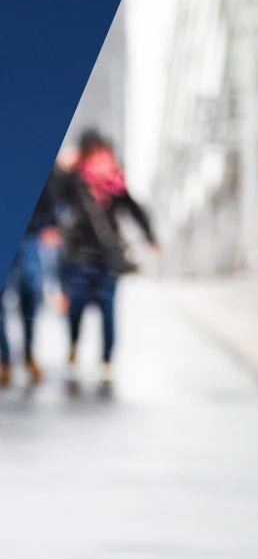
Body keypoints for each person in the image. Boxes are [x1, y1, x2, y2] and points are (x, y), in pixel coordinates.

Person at [56, 130, 155, 385]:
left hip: (106, 257)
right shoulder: (73, 179)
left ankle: (107, 361)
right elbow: (53, 192)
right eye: (94, 152)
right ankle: (73, 348)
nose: (100, 158)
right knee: (76, 307)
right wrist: (62, 166)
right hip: (78, 255)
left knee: (108, 309)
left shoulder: (114, 181)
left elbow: (133, 206)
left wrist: (150, 236)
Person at [0, 176, 61, 386]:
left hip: (29, 235)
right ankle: (4, 358)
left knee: (31, 295)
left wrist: (49, 222)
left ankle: (28, 353)